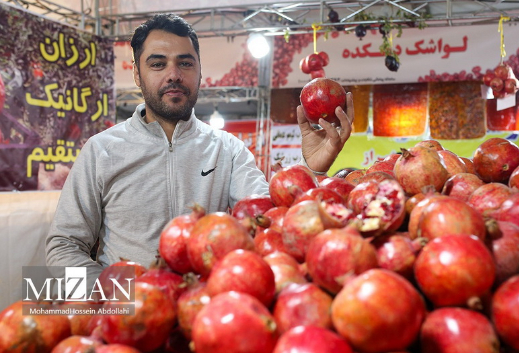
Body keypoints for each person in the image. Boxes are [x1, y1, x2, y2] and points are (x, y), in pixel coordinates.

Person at [45, 13, 354, 285]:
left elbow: (267, 221)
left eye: (185, 63)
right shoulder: (101, 150)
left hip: (207, 308)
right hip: (127, 319)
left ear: (200, 72)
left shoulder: (228, 149)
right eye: (157, 63)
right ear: (137, 74)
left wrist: (310, 168)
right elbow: (64, 245)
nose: (174, 74)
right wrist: (116, 296)